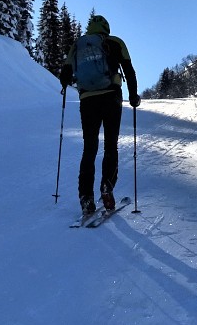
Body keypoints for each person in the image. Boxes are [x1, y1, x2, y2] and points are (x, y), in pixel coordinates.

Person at [59, 14, 139, 218]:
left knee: (89, 148)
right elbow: (128, 69)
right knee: (111, 144)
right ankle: (107, 187)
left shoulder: (78, 45)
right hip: (111, 96)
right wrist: (133, 95)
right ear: (106, 28)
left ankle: (86, 197)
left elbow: (65, 74)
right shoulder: (114, 42)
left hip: (87, 100)